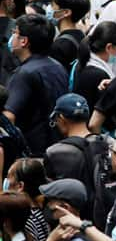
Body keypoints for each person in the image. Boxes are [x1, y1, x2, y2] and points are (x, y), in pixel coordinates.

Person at [5, 13, 67, 154]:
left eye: (14, 33)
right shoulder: (58, 66)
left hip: (32, 151)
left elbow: (9, 115)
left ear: (24, 41)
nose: (12, 37)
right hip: (57, 147)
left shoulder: (24, 74)